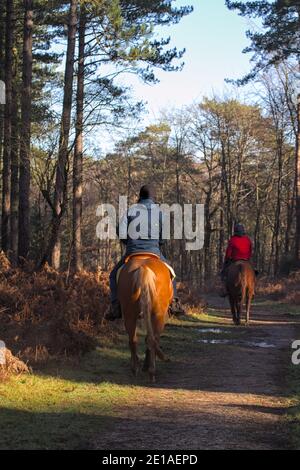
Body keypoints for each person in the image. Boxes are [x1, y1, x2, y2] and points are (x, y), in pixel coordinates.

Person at [105, 184, 185, 320]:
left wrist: (128, 242)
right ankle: (174, 303)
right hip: (154, 251)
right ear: (153, 197)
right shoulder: (160, 212)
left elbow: (121, 233)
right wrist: (157, 243)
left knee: (113, 275)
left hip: (132, 251)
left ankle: (115, 306)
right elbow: (163, 238)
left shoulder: (131, 211)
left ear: (140, 196)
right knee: (171, 273)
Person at [220, 223, 252, 297]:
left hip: (235, 260)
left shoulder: (232, 240)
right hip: (246, 260)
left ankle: (225, 289)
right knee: (253, 272)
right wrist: (248, 258)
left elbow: (228, 253)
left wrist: (227, 259)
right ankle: (252, 290)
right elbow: (250, 251)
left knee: (224, 272)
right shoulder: (247, 239)